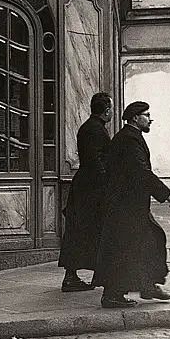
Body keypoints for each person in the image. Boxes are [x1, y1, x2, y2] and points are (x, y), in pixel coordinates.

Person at [93, 101, 170, 308]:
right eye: (146, 115)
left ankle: (148, 285)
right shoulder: (129, 140)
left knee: (149, 241)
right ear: (134, 118)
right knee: (124, 248)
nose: (150, 119)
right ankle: (113, 295)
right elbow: (141, 172)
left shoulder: (130, 137)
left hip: (130, 205)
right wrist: (166, 194)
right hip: (125, 207)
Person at [58, 92, 113, 292]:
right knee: (85, 232)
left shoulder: (90, 127)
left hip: (85, 188)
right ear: (106, 111)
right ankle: (76, 277)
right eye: (111, 109)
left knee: (80, 232)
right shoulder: (95, 130)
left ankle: (75, 276)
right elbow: (97, 163)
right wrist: (108, 184)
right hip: (90, 191)